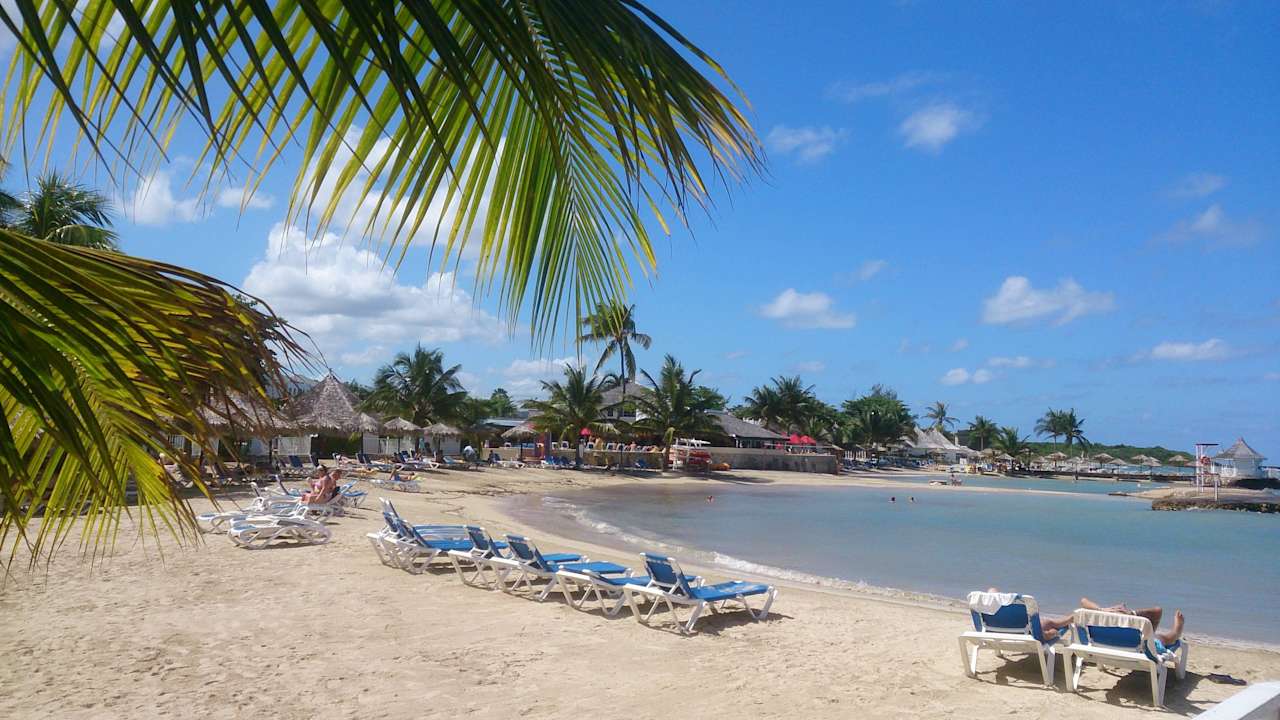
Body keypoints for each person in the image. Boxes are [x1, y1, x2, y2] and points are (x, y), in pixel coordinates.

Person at [1080, 597, 1186, 647]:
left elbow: (1083, 601)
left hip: (1103, 645)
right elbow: (1158, 611)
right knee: (1163, 638)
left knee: (1150, 634)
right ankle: (1176, 632)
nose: (1120, 606)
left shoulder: (1101, 618)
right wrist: (1130, 614)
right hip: (1135, 648)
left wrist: (1103, 610)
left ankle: (1131, 614)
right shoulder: (1132, 629)